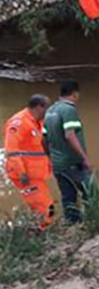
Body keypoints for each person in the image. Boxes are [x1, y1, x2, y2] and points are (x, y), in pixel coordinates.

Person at [44, 80, 93, 224]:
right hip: (72, 162)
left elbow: (43, 138)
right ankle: (92, 222)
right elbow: (69, 135)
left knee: (68, 196)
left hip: (58, 163)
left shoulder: (50, 111)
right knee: (89, 192)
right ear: (75, 94)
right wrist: (84, 158)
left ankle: (73, 224)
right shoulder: (69, 109)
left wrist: (50, 157)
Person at [3, 94, 54, 229]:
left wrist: (51, 161)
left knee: (47, 205)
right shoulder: (18, 123)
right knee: (42, 207)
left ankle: (41, 231)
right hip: (25, 174)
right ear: (39, 107)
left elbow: (40, 144)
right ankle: (41, 234)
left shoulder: (37, 122)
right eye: (48, 109)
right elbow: (11, 150)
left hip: (36, 173)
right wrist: (21, 173)